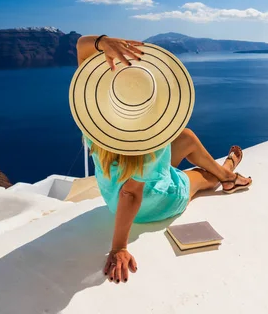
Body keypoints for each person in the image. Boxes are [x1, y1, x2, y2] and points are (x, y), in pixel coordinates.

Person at [71, 35, 252, 284]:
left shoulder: (95, 123)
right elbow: (131, 194)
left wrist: (104, 42)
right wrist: (118, 248)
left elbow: (82, 47)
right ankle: (227, 173)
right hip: (152, 205)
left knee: (186, 137)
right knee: (204, 178)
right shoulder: (147, 143)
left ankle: (229, 176)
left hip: (113, 197)